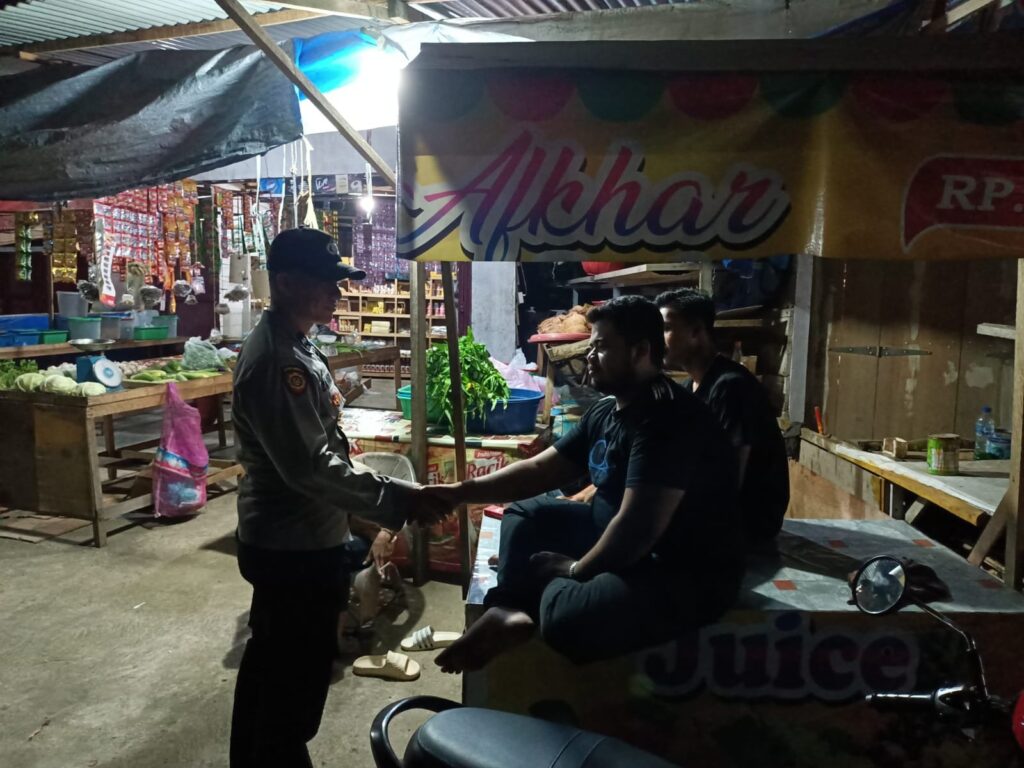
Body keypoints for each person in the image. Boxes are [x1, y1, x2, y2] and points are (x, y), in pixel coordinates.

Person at [422, 296, 744, 673]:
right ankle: (508, 609)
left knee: (566, 620)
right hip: (613, 537)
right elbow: (539, 470)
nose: (589, 356)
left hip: (677, 568)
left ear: (640, 351)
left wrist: (573, 569)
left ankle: (538, 594)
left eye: (601, 347)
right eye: (590, 346)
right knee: (525, 514)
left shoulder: (667, 418)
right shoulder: (607, 410)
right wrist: (458, 493)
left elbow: (637, 529)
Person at [229, 227, 448, 768]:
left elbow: (319, 444)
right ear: (285, 283)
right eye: (326, 281)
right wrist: (400, 500)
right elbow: (310, 467)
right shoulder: (276, 360)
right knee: (293, 683)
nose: (338, 291)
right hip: (292, 545)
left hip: (300, 536)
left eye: (339, 280)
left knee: (271, 667)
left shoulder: (298, 342)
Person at [655, 287, 790, 545]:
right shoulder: (691, 387)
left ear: (696, 332)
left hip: (747, 521)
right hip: (717, 513)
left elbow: (728, 476)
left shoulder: (730, 386)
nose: (657, 339)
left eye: (666, 328)